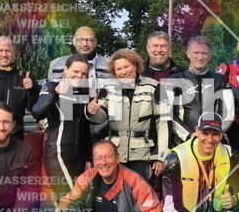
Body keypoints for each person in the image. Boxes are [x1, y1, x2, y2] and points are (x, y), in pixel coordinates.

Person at [88, 48, 169, 181]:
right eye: (119, 69)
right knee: (115, 195)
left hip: (143, 155)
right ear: (114, 72)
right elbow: (99, 118)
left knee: (139, 196)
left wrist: (160, 156)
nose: (124, 72)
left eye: (127, 66)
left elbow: (163, 124)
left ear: (136, 66)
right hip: (115, 154)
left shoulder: (154, 87)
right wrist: (91, 110)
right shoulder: (108, 89)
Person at [32, 55, 100, 201]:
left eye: (83, 74)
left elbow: (85, 128)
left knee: (77, 200)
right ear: (65, 69)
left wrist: (88, 157)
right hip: (58, 152)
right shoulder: (51, 86)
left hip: (80, 155)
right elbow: (37, 112)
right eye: (76, 71)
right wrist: (55, 92)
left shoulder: (84, 92)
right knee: (69, 199)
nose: (79, 76)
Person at [165, 36, 236, 147]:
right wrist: (189, 135)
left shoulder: (220, 79)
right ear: (188, 53)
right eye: (196, 52)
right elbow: (169, 114)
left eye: (204, 53)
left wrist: (212, 135)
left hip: (214, 142)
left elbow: (229, 113)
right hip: (184, 142)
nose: (200, 57)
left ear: (210, 56)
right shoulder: (174, 80)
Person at [47, 26, 110, 142]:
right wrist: (46, 122)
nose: (85, 43)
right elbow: (48, 96)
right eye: (81, 39)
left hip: (103, 129)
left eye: (89, 40)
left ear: (95, 42)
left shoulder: (109, 65)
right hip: (69, 129)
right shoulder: (56, 64)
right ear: (74, 41)